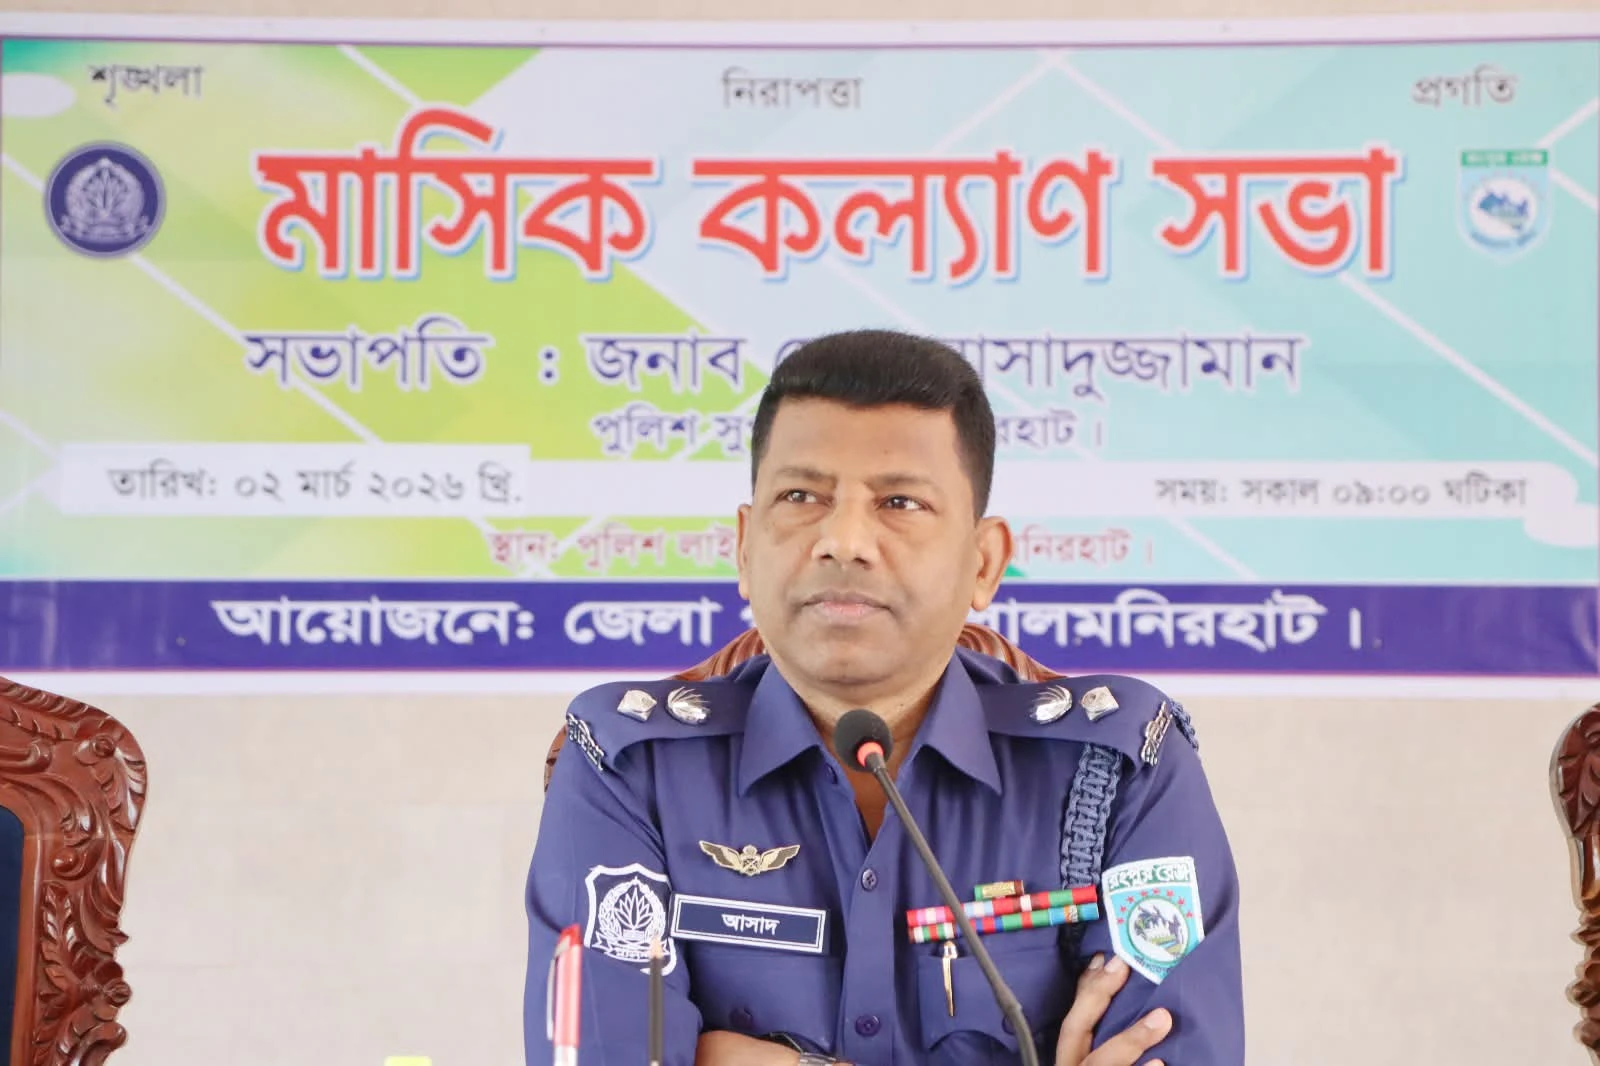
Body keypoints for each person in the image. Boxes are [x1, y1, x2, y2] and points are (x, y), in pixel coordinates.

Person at [523, 329, 1245, 1066]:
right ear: (743, 546)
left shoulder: (1119, 767)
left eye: (899, 502)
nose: (844, 541)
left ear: (983, 563)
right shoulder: (629, 768)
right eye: (801, 496)